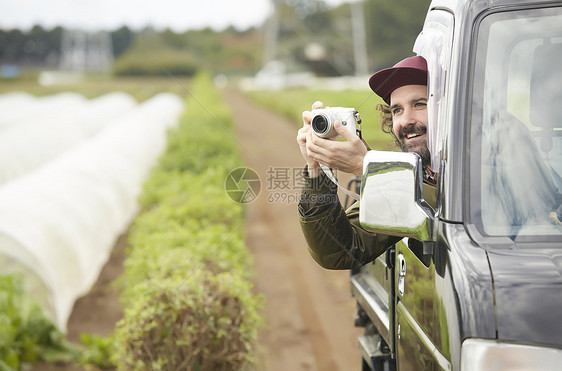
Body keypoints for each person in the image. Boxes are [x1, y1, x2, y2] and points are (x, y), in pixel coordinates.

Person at [296, 55, 435, 269]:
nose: (406, 120)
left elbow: (452, 207)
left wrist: (367, 166)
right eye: (397, 109)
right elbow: (339, 251)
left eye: (419, 104)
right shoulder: (412, 172)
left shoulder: (487, 162)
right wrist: (318, 171)